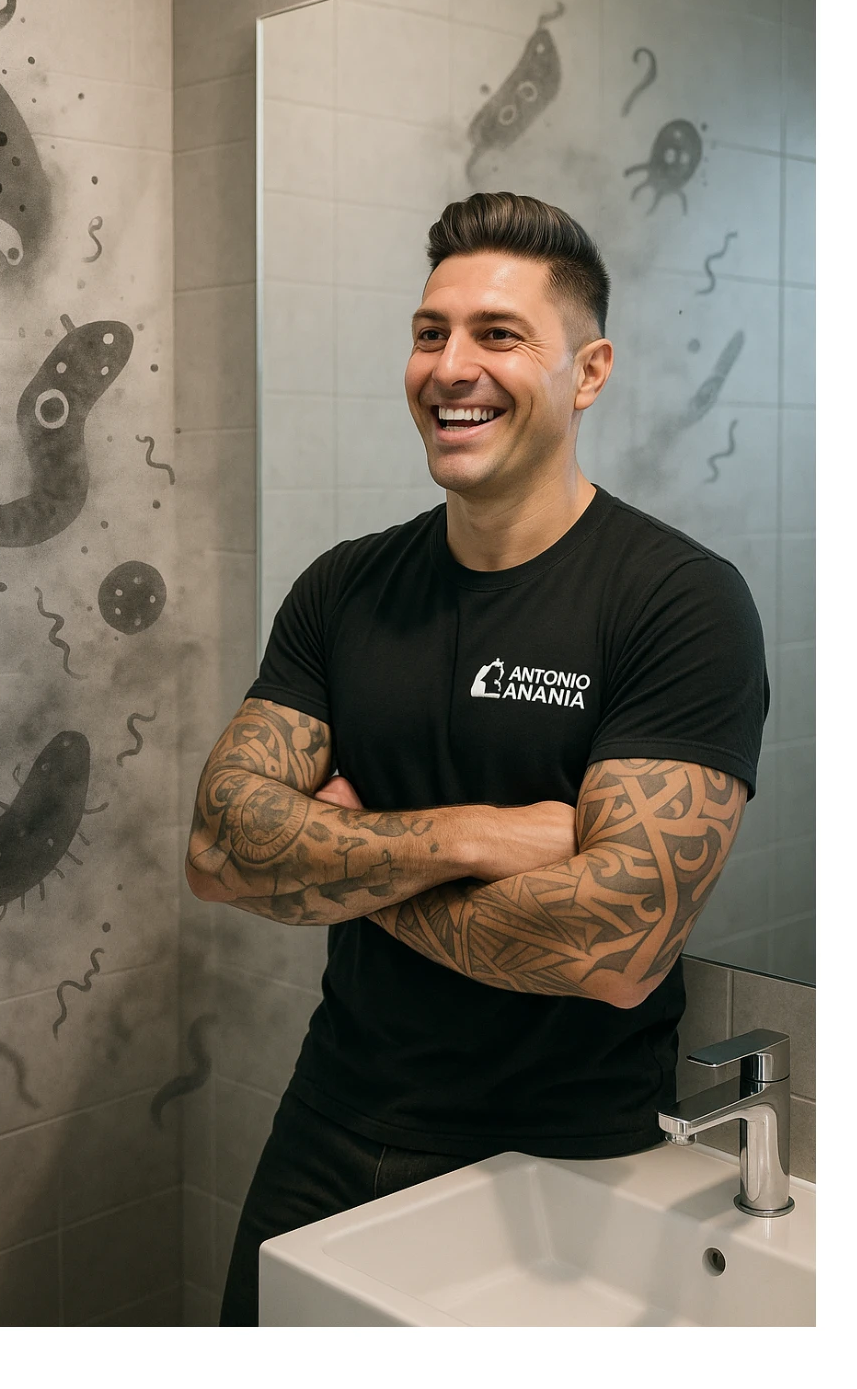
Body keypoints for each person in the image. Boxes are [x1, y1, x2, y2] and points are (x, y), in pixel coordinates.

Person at [185, 192, 768, 1327]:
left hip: (566, 1169)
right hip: (329, 1125)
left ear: (587, 371)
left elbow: (614, 945)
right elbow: (218, 849)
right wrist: (469, 835)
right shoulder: (344, 586)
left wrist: (342, 870)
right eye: (428, 332)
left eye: (498, 335)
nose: (451, 366)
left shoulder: (677, 601)